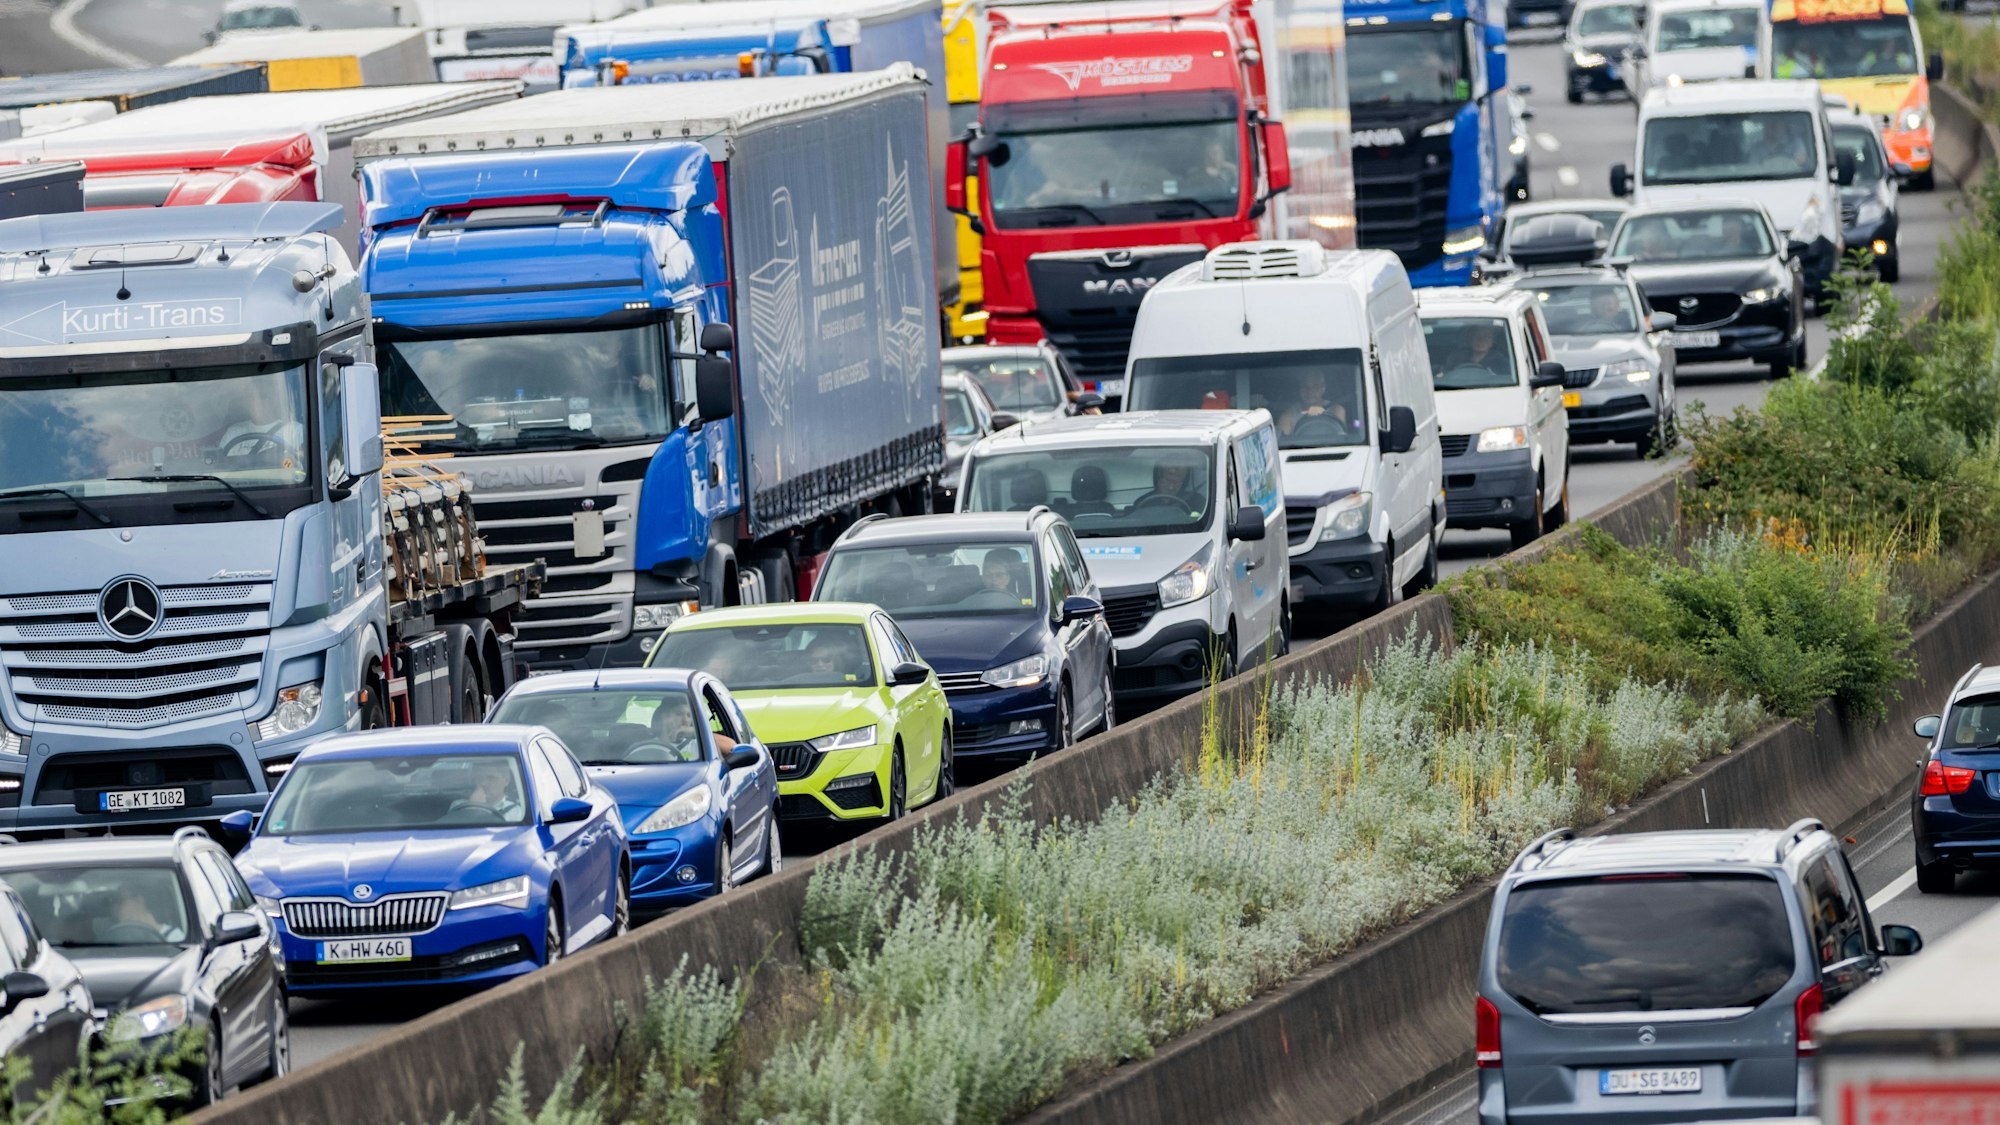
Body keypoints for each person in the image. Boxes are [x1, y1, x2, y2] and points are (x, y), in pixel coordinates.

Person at [649, 698, 733, 760]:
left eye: (689, 716)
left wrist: (695, 732)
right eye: (679, 714)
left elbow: (732, 747)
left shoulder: (700, 745)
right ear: (664, 717)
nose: (685, 720)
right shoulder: (649, 746)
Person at [1278, 370, 1352, 439]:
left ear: (1323, 388)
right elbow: (1283, 442)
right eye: (1305, 387)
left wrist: (1323, 414)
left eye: (1315, 387)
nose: (1310, 392)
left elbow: (1341, 439)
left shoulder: (1336, 409)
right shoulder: (1289, 415)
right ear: (1300, 389)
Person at [449, 758, 524, 821]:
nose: (483, 783)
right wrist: (473, 807)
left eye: (491, 778)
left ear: (506, 780)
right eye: (479, 777)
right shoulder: (458, 806)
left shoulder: (515, 812)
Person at [102, 885, 166, 943]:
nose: (115, 906)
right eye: (113, 903)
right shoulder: (115, 939)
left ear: (138, 900)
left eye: (120, 901)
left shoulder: (174, 938)